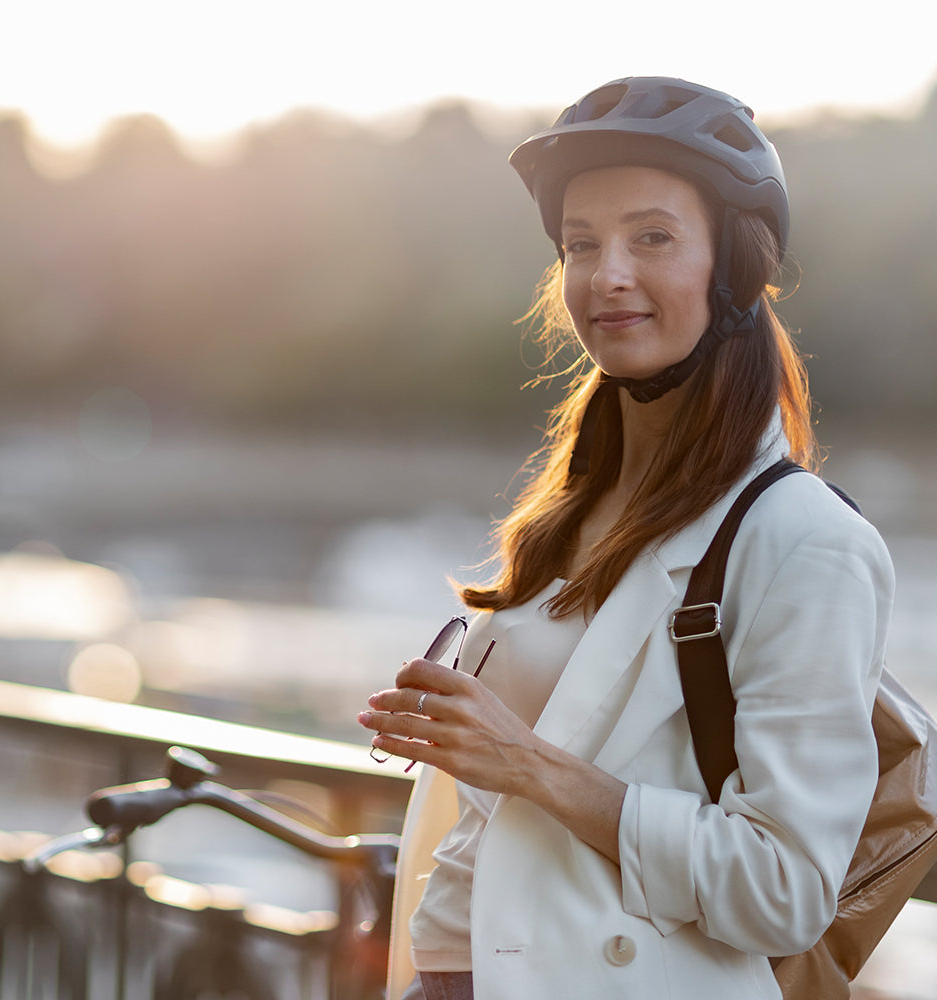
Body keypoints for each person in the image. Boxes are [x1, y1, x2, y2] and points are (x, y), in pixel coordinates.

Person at [357, 77, 894, 1000]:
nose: (607, 274)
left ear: (733, 268)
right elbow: (491, 820)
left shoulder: (804, 540)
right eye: (581, 244)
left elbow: (786, 891)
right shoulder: (573, 508)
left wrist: (529, 765)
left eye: (652, 237)